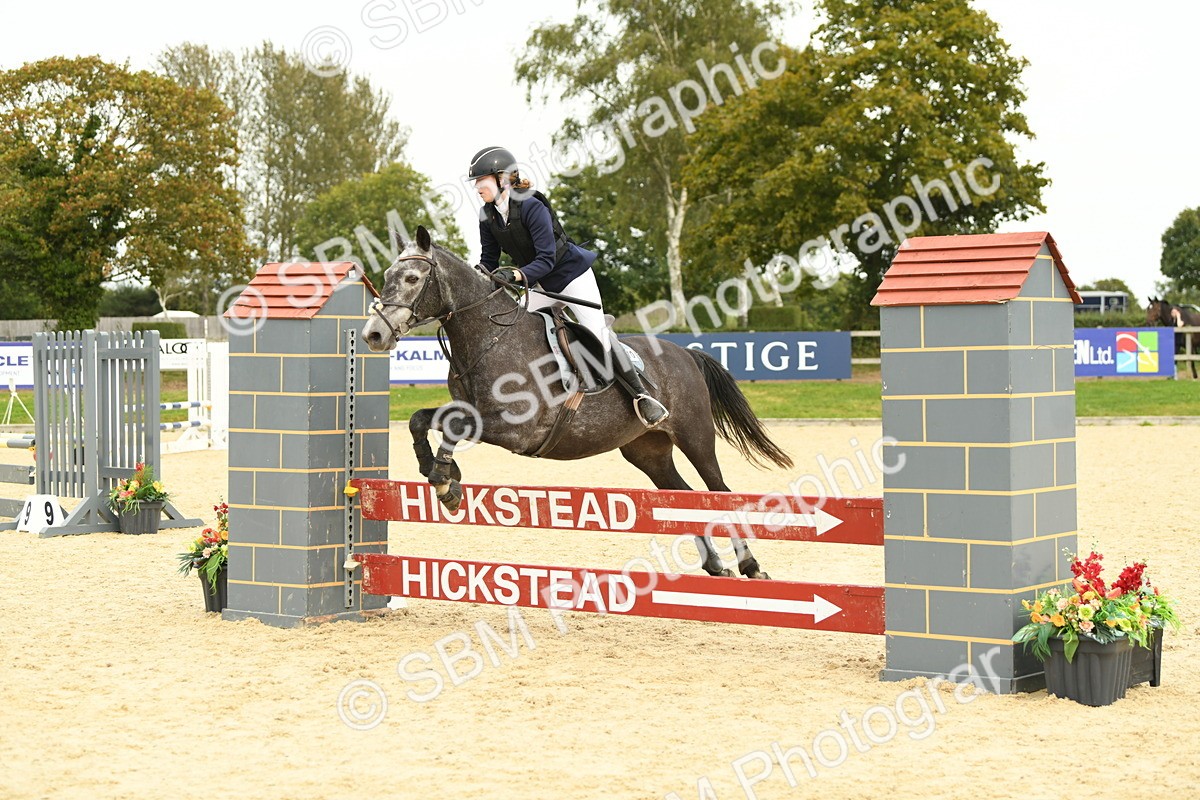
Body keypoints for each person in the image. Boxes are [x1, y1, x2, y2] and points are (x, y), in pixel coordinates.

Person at [468, 145, 668, 428]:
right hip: (537, 285)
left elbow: (547, 259)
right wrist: (476, 277)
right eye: (476, 182)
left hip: (570, 276)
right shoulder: (486, 215)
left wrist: (515, 276)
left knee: (598, 333)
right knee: (518, 331)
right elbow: (488, 259)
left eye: (481, 180)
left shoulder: (531, 206)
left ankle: (642, 396)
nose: (477, 187)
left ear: (502, 178)